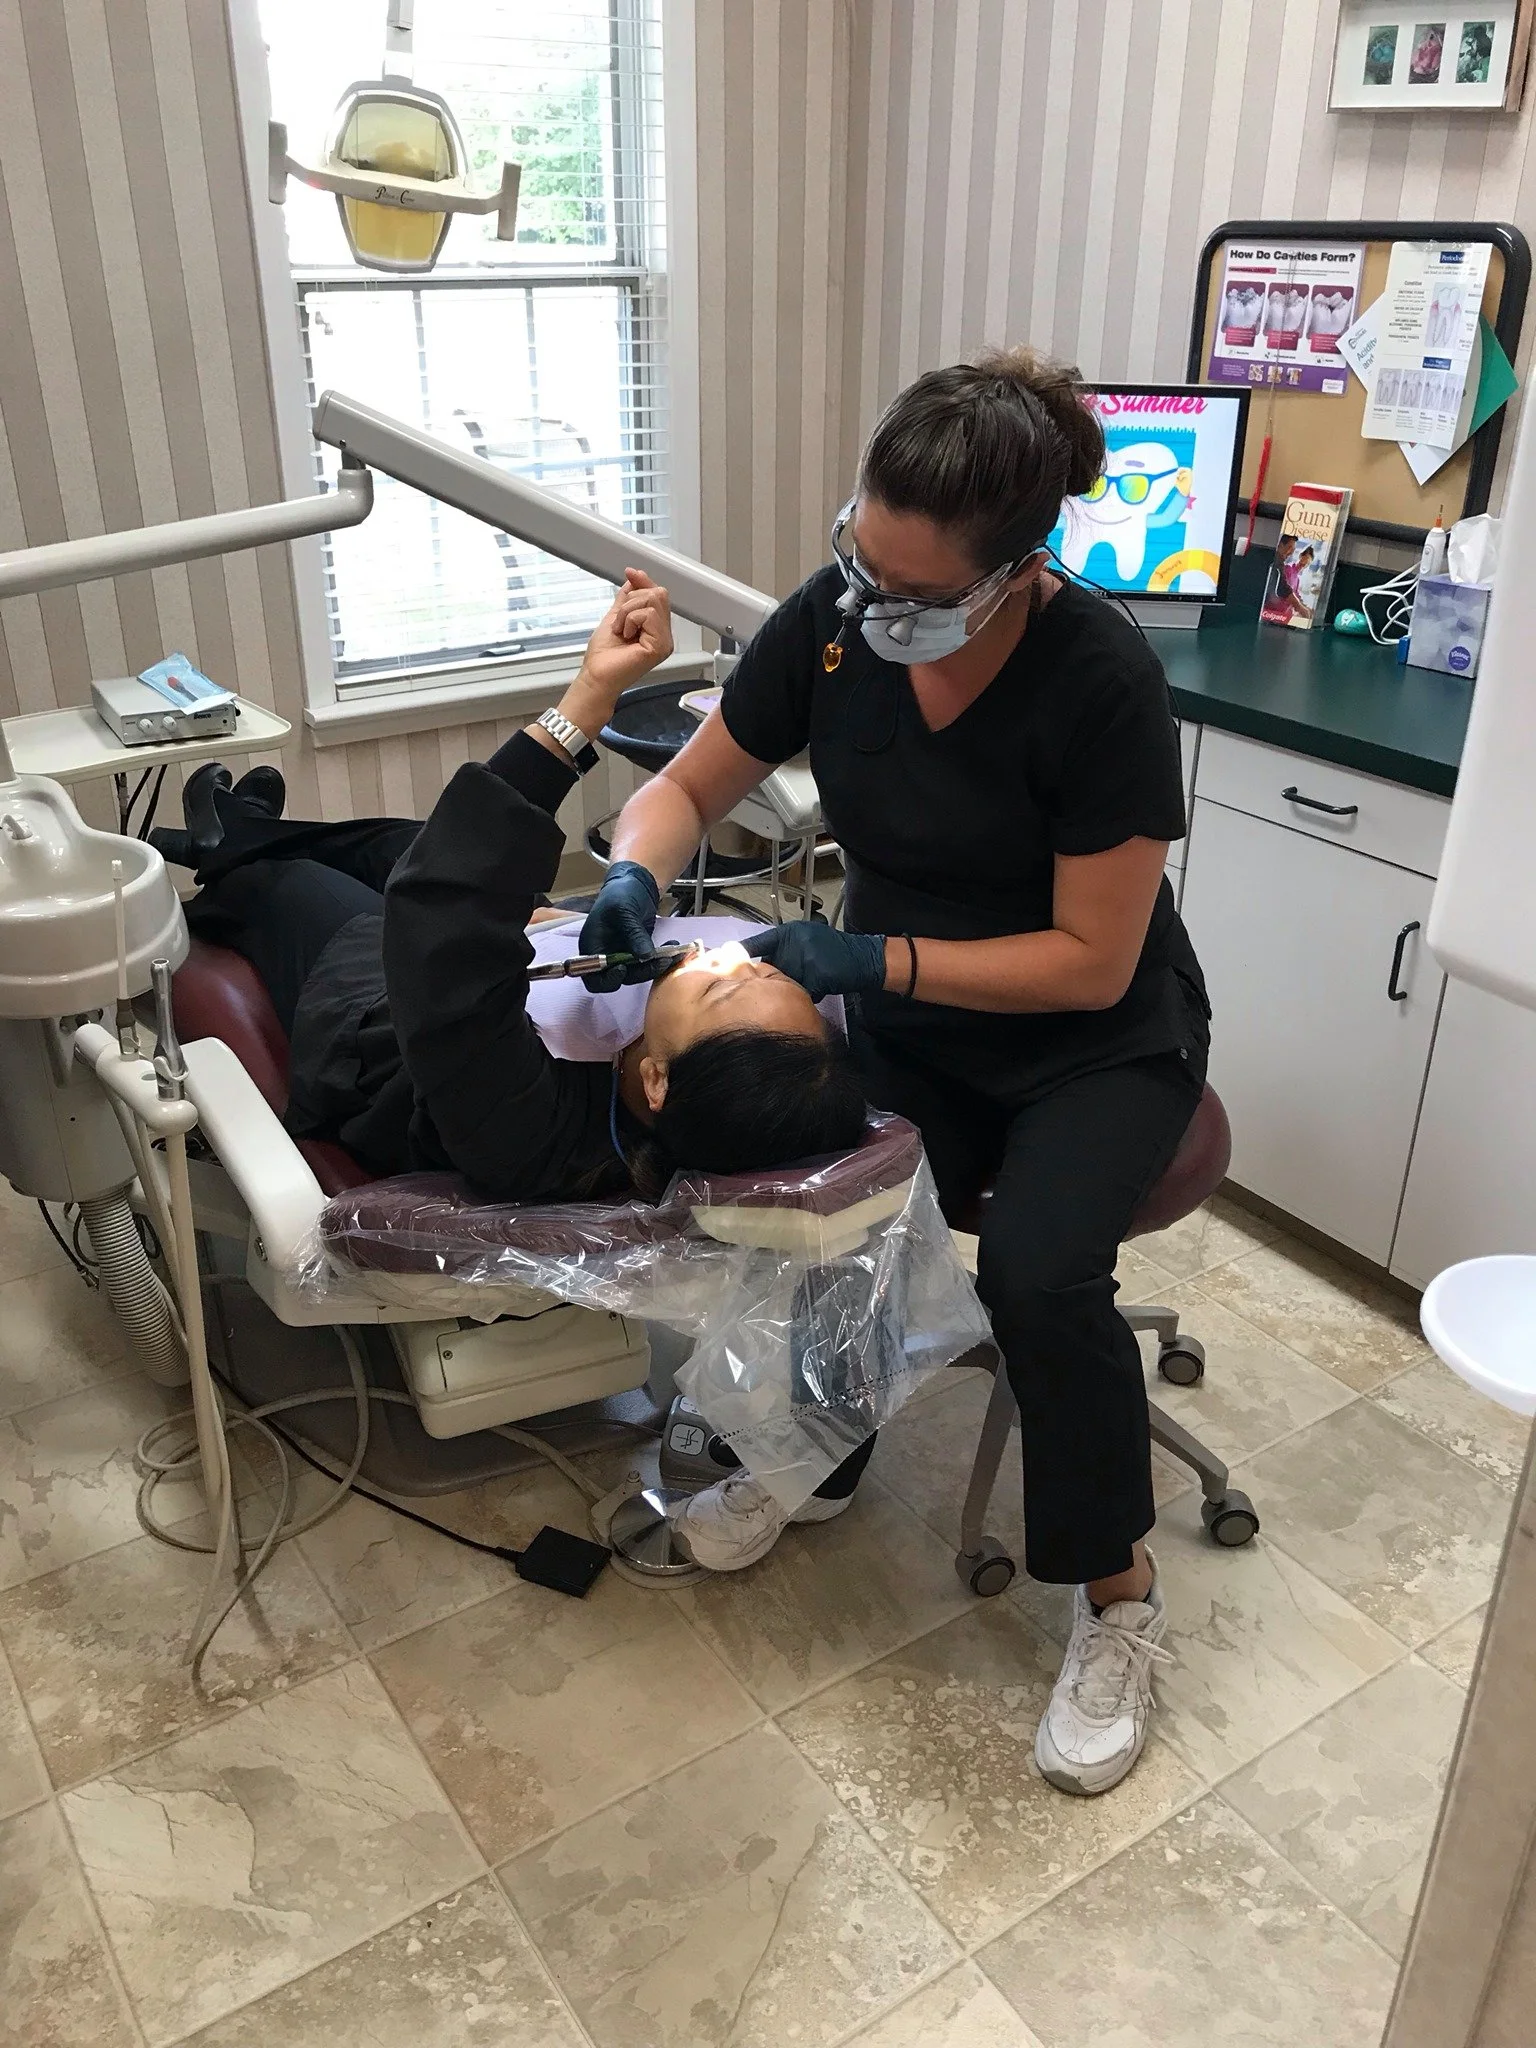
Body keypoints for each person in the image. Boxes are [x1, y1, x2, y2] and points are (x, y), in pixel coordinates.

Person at [579, 348, 1211, 1798]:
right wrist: (630, 873)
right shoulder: (838, 628)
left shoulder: (1102, 682)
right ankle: (818, 1454)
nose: (875, 610)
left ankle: (1118, 1606)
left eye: (916, 595)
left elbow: (1092, 963)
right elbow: (686, 786)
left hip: (1093, 1043)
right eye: (859, 563)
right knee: (816, 1194)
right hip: (922, 1019)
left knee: (1041, 1274)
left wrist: (873, 967)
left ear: (1013, 571)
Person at [152, 572, 867, 1247]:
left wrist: (589, 696)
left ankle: (234, 851)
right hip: (449, 966)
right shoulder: (699, 1089)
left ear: (657, 1082)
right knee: (408, 843)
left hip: (372, 1022)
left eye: (720, 984)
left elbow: (438, 916)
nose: (732, 956)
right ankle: (234, 832)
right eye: (766, 972)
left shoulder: (524, 1128)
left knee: (295, 884)